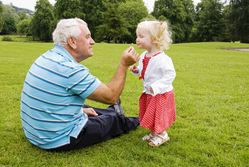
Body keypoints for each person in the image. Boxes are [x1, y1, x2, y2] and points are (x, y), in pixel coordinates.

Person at [20, 18, 140, 151]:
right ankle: (138, 120)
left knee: (84, 107)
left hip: (36, 132)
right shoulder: (69, 70)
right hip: (57, 138)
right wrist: (124, 64)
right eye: (88, 37)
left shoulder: (46, 57)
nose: (92, 42)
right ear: (72, 41)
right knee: (113, 123)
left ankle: (112, 111)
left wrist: (81, 111)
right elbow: (111, 96)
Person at [129, 20, 176, 147]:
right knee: (150, 112)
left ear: (154, 39)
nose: (137, 39)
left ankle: (163, 134)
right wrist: (137, 71)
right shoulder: (144, 55)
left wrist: (157, 86)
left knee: (157, 114)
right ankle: (153, 134)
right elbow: (145, 71)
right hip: (150, 92)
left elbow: (170, 75)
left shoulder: (163, 59)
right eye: (137, 36)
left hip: (160, 93)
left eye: (141, 36)